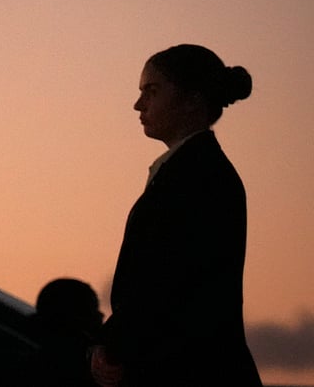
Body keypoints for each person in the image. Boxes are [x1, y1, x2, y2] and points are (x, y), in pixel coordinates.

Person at [90, 45, 262, 386]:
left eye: (151, 92)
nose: (139, 105)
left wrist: (111, 346)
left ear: (192, 100)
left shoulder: (197, 177)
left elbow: (163, 280)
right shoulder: (195, 171)